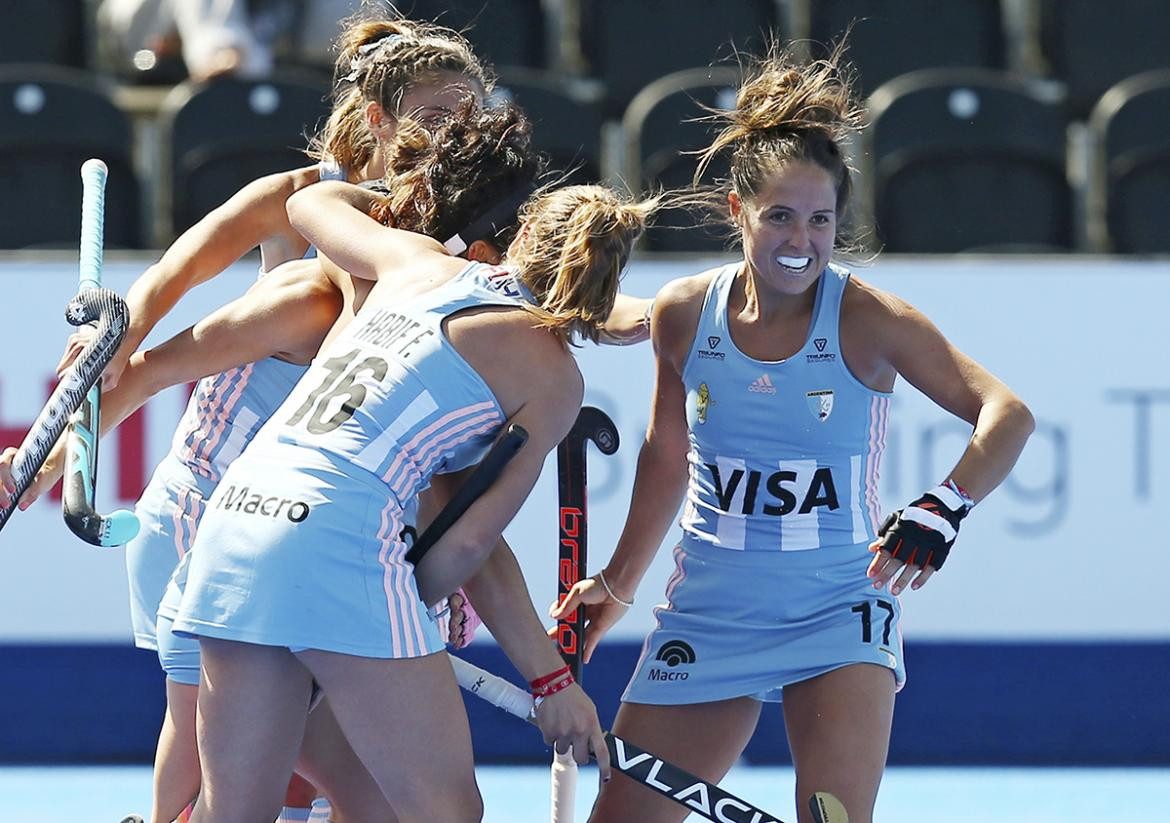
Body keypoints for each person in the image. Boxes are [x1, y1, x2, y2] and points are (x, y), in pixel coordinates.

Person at [550, 44, 1036, 823]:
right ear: (736, 212)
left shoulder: (867, 318)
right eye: (778, 215)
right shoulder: (684, 314)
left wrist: (945, 505)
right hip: (712, 609)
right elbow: (666, 456)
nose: (801, 239)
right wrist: (615, 585)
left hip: (839, 610)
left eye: (821, 219)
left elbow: (1007, 413)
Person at [38, 14, 495, 823]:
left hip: (337, 538)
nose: (453, 138)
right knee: (214, 783)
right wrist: (104, 356)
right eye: (433, 121)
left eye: (466, 121)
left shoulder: (459, 242)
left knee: (334, 788)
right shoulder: (299, 225)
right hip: (210, 522)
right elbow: (171, 287)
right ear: (377, 121)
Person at [159, 93, 659, 820]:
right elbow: (471, 541)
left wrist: (397, 195)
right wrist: (548, 680)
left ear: (518, 240)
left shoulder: (415, 260)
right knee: (446, 813)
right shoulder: (554, 379)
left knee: (233, 813)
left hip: (235, 520)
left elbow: (312, 205)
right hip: (338, 538)